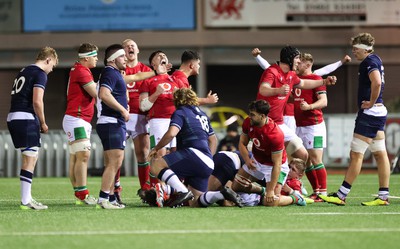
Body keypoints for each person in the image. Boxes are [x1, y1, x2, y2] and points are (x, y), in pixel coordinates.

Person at [319, 33, 391, 206]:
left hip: (371, 113)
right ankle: (383, 196)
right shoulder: (375, 58)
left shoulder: (369, 62)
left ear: (364, 49)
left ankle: (341, 195)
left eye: (356, 49)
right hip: (379, 112)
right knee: (380, 154)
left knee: (356, 154)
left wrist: (371, 102)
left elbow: (377, 83)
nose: (354, 52)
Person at [255, 46, 337, 164]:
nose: (299, 61)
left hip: (279, 123)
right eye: (297, 58)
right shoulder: (272, 71)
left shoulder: (291, 75)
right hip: (265, 122)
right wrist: (278, 90)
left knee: (303, 155)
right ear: (289, 59)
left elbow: (303, 83)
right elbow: (263, 89)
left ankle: (290, 181)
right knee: (265, 161)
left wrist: (324, 82)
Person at [147, 88, 226, 208]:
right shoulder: (202, 114)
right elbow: (213, 139)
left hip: (193, 154)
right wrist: (209, 158)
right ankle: (222, 194)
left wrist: (157, 148)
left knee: (156, 165)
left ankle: (181, 191)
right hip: (208, 161)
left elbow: (172, 133)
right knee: (195, 202)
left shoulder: (181, 112)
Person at [7, 47, 58, 210]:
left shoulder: (24, 70)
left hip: (14, 116)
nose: (51, 70)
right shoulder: (40, 73)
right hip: (26, 117)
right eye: (53, 66)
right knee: (30, 158)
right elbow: (37, 101)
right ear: (48, 59)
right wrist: (43, 122)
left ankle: (27, 198)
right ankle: (25, 201)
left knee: (30, 157)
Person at [231, 100, 306, 207]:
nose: (249, 116)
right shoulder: (248, 122)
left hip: (274, 166)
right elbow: (242, 143)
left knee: (270, 202)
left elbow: (277, 164)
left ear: (262, 116)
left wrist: (270, 191)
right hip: (257, 160)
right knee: (236, 186)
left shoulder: (275, 134)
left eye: (252, 114)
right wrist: (247, 160)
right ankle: (262, 190)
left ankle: (295, 198)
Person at [62, 43, 99, 205]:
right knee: (83, 155)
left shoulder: (78, 69)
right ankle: (83, 194)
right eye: (95, 55)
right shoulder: (82, 71)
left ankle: (79, 194)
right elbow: (98, 94)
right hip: (77, 119)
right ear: (86, 58)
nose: (97, 58)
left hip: (77, 119)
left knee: (76, 157)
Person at [96, 44, 130, 209]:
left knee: (114, 162)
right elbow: (104, 94)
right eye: (123, 56)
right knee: (113, 162)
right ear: (113, 58)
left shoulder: (114, 73)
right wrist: (123, 109)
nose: (126, 59)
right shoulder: (110, 72)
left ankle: (109, 198)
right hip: (111, 122)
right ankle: (103, 199)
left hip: (112, 122)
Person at [120, 39, 153, 201]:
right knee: (116, 155)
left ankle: (146, 189)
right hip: (121, 116)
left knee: (143, 153)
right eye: (126, 46)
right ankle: (115, 189)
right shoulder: (118, 70)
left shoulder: (146, 70)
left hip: (140, 117)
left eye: (133, 45)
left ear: (138, 49)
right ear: (122, 52)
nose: (130, 47)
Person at [294, 53, 328, 201]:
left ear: (308, 65)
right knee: (304, 160)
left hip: (314, 126)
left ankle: (323, 192)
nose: (297, 65)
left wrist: (309, 107)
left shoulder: (316, 80)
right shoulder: (296, 79)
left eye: (300, 63)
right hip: (298, 125)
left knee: (316, 159)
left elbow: (324, 101)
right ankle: (316, 191)